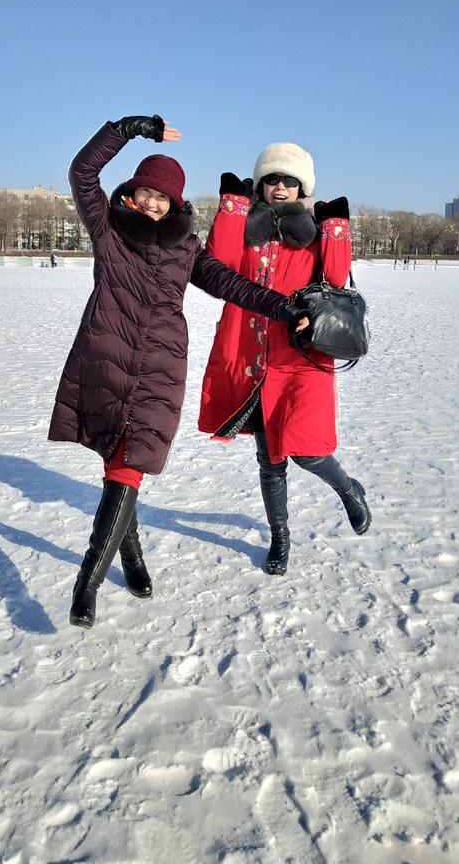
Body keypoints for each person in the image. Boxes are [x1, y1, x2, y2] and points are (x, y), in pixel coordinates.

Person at [48, 116, 304, 628]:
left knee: (129, 467)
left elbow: (231, 284)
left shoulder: (187, 249)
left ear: (176, 204)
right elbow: (82, 171)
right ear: (131, 194)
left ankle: (92, 582)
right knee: (119, 465)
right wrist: (126, 129)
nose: (152, 203)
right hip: (107, 359)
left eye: (162, 198)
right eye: (145, 192)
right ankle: (120, 568)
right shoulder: (108, 228)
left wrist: (283, 307)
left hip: (162, 367)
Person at [198, 142, 371, 576]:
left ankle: (347, 488)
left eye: (289, 181)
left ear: (301, 188)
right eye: (271, 179)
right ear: (260, 184)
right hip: (250, 353)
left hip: (301, 357)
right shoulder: (246, 230)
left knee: (307, 451)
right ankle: (280, 537)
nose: (279, 187)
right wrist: (233, 208)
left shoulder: (312, 232)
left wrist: (335, 229)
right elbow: (218, 266)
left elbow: (334, 279)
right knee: (269, 459)